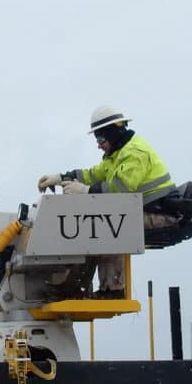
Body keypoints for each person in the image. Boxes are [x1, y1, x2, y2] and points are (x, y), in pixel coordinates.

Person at [37, 107, 177, 297]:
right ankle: (75, 286)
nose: (99, 145)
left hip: (162, 215)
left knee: (108, 226)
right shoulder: (117, 155)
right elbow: (94, 174)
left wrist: (85, 191)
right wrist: (62, 177)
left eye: (101, 140)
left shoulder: (134, 153)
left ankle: (113, 289)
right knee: (96, 224)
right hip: (149, 211)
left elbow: (121, 189)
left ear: (113, 133)